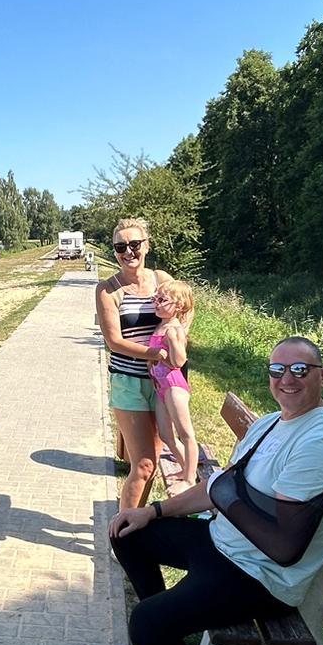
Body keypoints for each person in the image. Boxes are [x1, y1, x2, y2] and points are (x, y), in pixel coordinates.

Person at [106, 337, 323, 645]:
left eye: (299, 370)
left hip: (261, 576)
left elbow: (283, 547)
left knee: (145, 622)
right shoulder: (271, 423)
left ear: (322, 376)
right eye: (277, 370)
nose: (287, 379)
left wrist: (227, 496)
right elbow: (217, 487)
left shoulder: (318, 444)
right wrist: (153, 511)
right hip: (224, 542)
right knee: (127, 532)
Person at [94, 217, 187, 510]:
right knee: (144, 464)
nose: (128, 251)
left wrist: (178, 334)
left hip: (161, 383)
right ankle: (122, 529)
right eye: (120, 247)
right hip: (129, 382)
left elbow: (186, 306)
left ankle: (135, 523)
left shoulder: (161, 279)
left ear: (147, 245)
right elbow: (114, 341)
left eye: (134, 244)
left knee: (153, 462)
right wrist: (157, 354)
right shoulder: (108, 290)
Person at [148, 279, 198, 486]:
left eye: (162, 300)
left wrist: (169, 343)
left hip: (173, 386)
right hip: (161, 386)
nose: (156, 303)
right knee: (166, 435)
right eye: (155, 299)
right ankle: (186, 467)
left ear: (178, 306)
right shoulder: (162, 324)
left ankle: (190, 479)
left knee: (185, 434)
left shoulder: (173, 329)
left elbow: (179, 361)